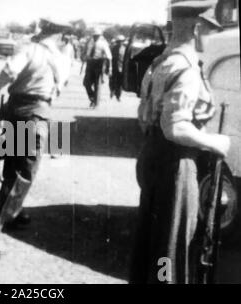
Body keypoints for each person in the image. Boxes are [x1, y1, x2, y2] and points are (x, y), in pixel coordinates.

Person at [130, 0, 230, 284]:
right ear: (197, 29)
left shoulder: (160, 62)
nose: (210, 39)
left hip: (153, 155)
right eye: (210, 31)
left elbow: (144, 115)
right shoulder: (186, 69)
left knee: (153, 239)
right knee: (170, 244)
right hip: (177, 160)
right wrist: (214, 143)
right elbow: (174, 126)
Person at [0, 18, 71, 239]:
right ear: (59, 36)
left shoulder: (30, 50)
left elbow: (8, 72)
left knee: (10, 161)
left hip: (14, 108)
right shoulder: (61, 58)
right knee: (24, 171)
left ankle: (12, 212)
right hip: (36, 112)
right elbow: (61, 86)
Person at [82, 28, 112, 108]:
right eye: (94, 35)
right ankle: (92, 97)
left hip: (99, 64)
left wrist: (109, 68)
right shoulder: (90, 43)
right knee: (86, 83)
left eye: (97, 36)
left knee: (97, 84)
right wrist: (85, 57)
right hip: (90, 63)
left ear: (100, 36)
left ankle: (96, 102)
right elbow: (87, 52)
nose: (95, 37)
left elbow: (109, 57)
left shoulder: (103, 43)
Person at [109, 35, 126, 101]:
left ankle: (118, 95)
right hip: (114, 67)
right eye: (119, 41)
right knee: (112, 80)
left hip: (121, 68)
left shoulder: (125, 49)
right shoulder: (113, 48)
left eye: (121, 41)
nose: (120, 43)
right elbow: (110, 58)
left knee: (120, 82)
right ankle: (112, 91)